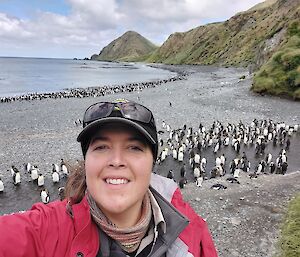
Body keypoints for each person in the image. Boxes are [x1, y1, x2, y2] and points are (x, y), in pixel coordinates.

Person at [0, 99, 218, 257]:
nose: (116, 160)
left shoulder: (191, 229)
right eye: (101, 147)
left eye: (134, 147)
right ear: (86, 161)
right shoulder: (48, 230)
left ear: (153, 161)